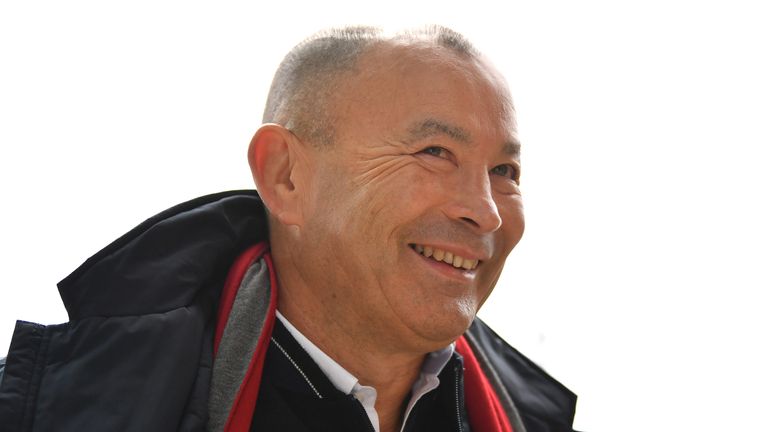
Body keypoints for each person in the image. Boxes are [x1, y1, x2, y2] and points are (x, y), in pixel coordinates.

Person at [0, 26, 578, 432]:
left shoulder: (530, 417)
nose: (487, 212)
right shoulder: (50, 412)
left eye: (504, 171)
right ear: (286, 177)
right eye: (434, 151)